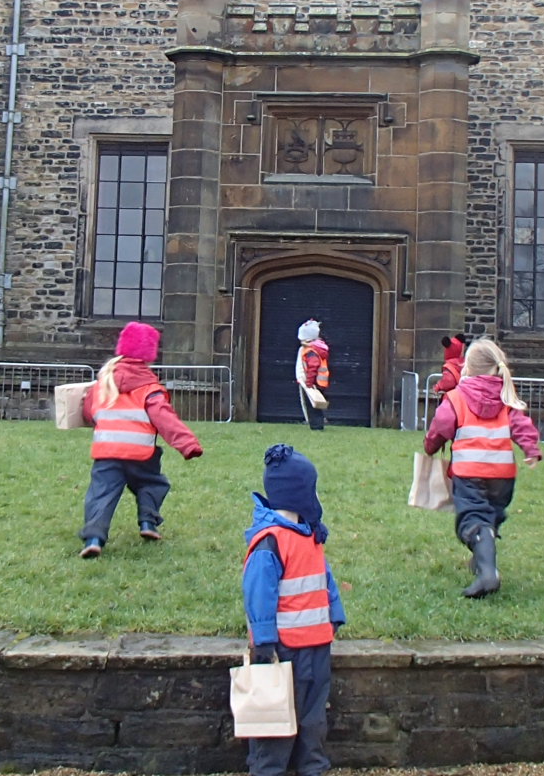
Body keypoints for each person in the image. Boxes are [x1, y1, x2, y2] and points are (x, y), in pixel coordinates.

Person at [243, 444, 344, 776]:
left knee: (314, 719)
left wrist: (335, 613)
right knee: (275, 721)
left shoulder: (309, 535)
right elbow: (259, 596)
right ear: (301, 492)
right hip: (284, 650)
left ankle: (314, 768)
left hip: (317, 646)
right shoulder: (271, 541)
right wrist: (264, 642)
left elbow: (324, 578)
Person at [422, 338, 542, 598]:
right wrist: (531, 450)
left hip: (470, 473)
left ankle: (488, 575)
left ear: (468, 367)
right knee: (491, 517)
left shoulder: (457, 397)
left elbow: (441, 426)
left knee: (472, 521)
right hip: (502, 476)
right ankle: (482, 562)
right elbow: (522, 426)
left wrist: (431, 446)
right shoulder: (506, 397)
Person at [79, 321, 203, 558]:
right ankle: (148, 523)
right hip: (141, 454)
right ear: (148, 356)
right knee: (153, 484)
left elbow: (89, 412)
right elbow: (165, 419)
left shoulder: (102, 383)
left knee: (101, 493)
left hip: (106, 452)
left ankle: (94, 539)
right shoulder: (149, 387)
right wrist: (188, 445)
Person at [294, 319, 330, 431]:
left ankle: (316, 426)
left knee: (313, 405)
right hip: (320, 381)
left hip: (313, 382)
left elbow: (313, 366)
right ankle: (317, 423)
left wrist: (309, 382)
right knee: (316, 404)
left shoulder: (310, 350)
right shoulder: (318, 348)